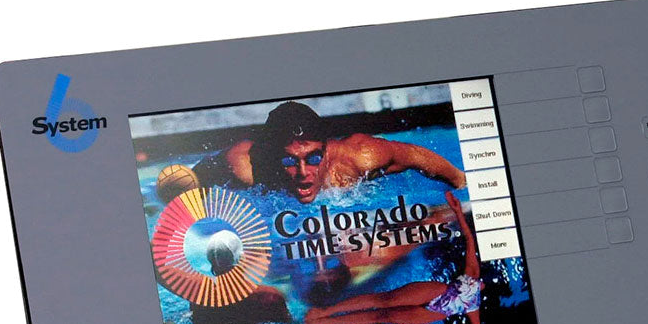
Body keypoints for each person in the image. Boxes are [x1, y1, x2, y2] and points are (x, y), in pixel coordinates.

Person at [304, 190, 485, 324]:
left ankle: (327, 321)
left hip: (437, 313)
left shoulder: (474, 306)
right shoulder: (473, 276)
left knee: (382, 317)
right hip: (438, 291)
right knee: (384, 300)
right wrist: (457, 211)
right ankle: (325, 312)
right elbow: (469, 239)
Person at [188, 101, 466, 203]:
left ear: (326, 149)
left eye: (313, 158)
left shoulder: (359, 157)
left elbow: (415, 155)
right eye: (288, 161)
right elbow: (196, 176)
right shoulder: (245, 164)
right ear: (272, 155)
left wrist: (461, 183)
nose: (303, 173)